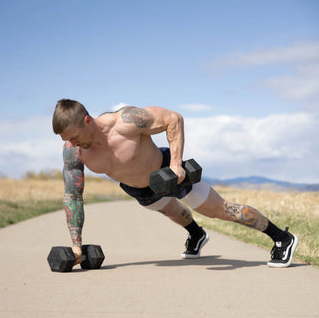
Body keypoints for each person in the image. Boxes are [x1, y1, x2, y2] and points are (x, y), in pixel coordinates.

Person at [52, 99, 298, 268]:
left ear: (87, 120)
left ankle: (281, 238)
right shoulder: (73, 152)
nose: (72, 144)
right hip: (137, 187)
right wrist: (76, 246)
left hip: (168, 172)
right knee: (171, 211)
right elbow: (73, 196)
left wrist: (177, 163)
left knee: (220, 210)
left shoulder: (126, 121)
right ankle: (197, 234)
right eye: (66, 140)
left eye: (73, 137)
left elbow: (173, 118)